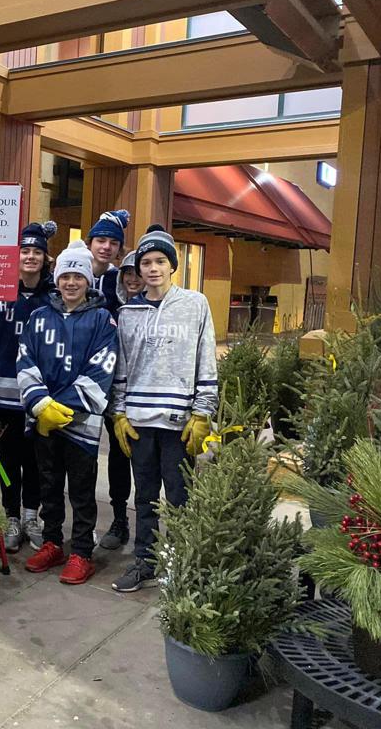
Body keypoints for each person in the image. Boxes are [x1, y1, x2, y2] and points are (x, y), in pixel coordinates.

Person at [110, 225, 217, 592]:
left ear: (172, 265)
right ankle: (146, 561)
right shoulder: (128, 313)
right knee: (144, 497)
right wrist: (119, 413)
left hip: (179, 422)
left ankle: (182, 561)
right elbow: (121, 368)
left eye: (160, 261)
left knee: (179, 495)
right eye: (146, 263)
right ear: (138, 268)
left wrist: (202, 412)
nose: (153, 268)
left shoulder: (195, 304)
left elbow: (206, 360)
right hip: (139, 420)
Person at [16, 241, 118, 584]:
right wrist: (40, 403)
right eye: (65, 276)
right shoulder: (38, 317)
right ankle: (52, 543)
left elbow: (102, 368)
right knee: (48, 485)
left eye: (78, 276)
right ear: (57, 278)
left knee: (82, 490)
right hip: (44, 421)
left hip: (82, 425)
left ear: (88, 280)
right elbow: (25, 360)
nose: (71, 282)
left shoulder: (103, 320)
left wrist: (63, 405)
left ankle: (82, 552)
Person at [0, 220, 56, 552]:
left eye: (37, 251)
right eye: (25, 251)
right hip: (3, 396)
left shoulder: (53, 300)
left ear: (45, 258)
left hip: (39, 398)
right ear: (16, 256)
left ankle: (31, 516)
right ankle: (11, 516)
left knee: (36, 460)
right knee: (8, 460)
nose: (31, 256)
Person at [85, 208, 134, 552]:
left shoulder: (123, 281)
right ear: (90, 242)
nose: (106, 246)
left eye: (112, 242)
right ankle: (82, 521)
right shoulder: (75, 274)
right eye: (100, 240)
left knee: (119, 452)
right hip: (84, 382)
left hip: (119, 384)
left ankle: (120, 518)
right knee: (83, 453)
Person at [97, 249, 143, 553]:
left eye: (138, 273)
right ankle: (119, 519)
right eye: (128, 273)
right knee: (117, 459)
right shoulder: (113, 311)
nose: (133, 279)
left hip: (147, 401)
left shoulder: (159, 310)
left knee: (146, 466)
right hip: (115, 400)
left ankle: (149, 528)